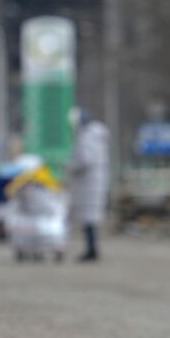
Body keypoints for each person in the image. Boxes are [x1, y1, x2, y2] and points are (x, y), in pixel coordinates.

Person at [68, 111, 111, 262]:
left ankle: (91, 250)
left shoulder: (86, 138)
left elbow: (85, 161)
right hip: (95, 182)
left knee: (88, 218)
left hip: (88, 184)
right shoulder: (97, 136)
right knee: (91, 218)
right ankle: (92, 249)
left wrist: (70, 167)